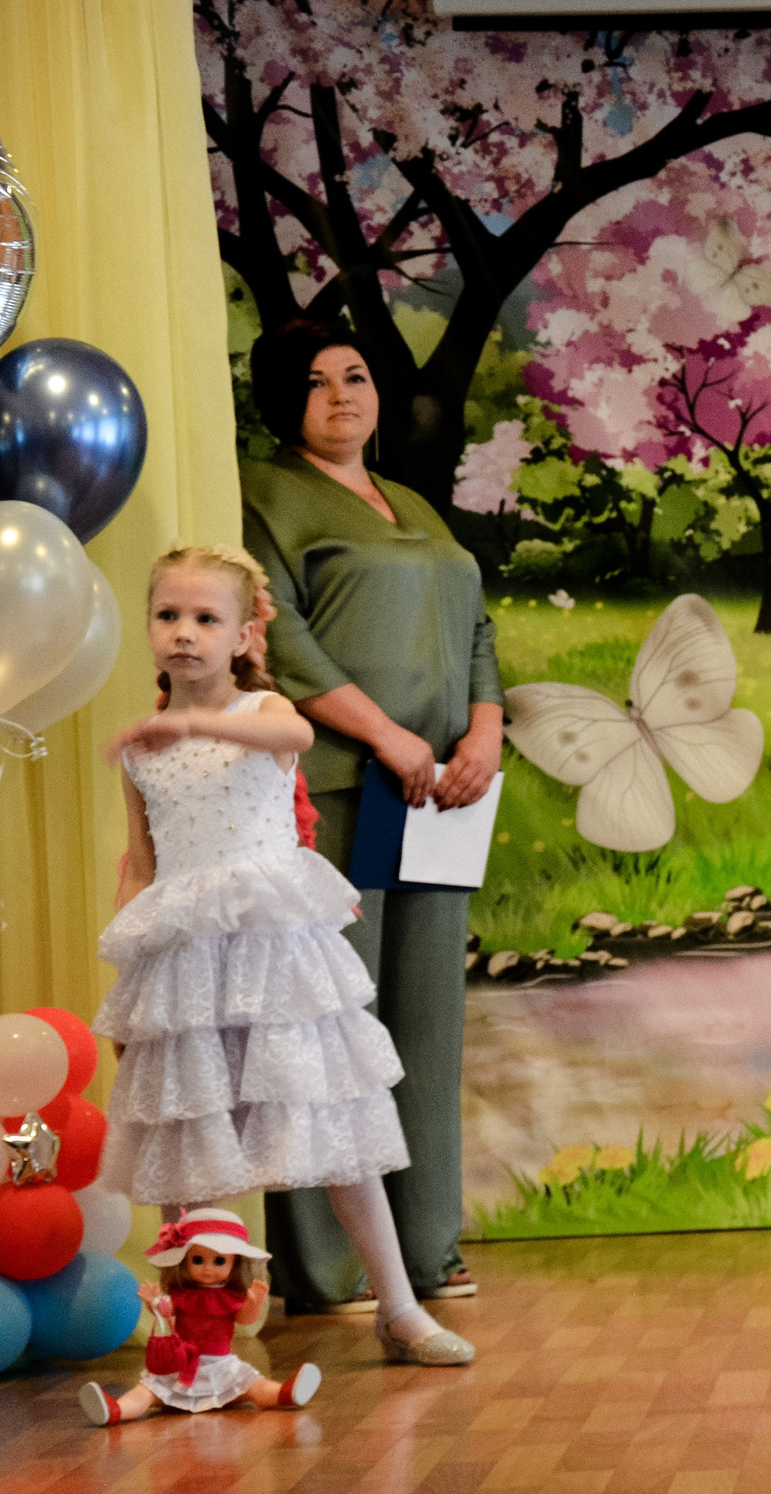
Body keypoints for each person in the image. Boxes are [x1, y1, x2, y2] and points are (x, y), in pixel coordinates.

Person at [95, 544, 467, 1365]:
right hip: (188, 961)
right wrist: (133, 977)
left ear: (241, 636)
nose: (183, 632)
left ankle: (399, 1306)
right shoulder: (143, 749)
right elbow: (144, 865)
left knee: (336, 1126)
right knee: (188, 1139)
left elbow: (294, 730)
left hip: (274, 959)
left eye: (205, 618)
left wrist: (193, 721)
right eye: (167, 615)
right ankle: (196, 1331)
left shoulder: (263, 711)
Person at [244, 321, 500, 1337]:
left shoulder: (416, 505)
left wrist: (485, 730)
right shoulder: (263, 496)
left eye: (354, 376)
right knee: (331, 1025)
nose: (342, 395)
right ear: (282, 401)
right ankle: (325, 1264)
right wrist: (388, 735)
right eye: (315, 383)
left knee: (426, 1025)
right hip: (340, 788)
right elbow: (282, 641)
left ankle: (428, 1246)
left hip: (438, 797)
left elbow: (477, 627)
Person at [80, 1208, 321, 1424]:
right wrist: (154, 1302)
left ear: (235, 1264)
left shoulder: (230, 1297)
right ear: (184, 1262)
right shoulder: (184, 1295)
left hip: (222, 1369)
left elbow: (245, 1319)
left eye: (219, 1261)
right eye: (198, 1260)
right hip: (181, 1366)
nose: (207, 1268)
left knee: (255, 1387)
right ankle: (116, 1410)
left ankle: (285, 1394)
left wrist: (254, 1304)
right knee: (147, 1392)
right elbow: (166, 1311)